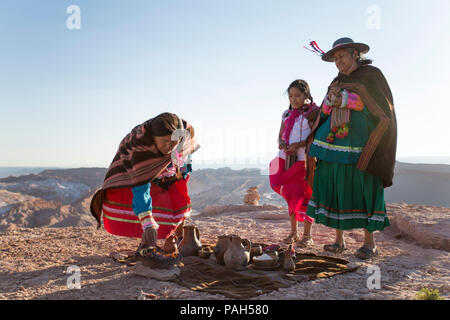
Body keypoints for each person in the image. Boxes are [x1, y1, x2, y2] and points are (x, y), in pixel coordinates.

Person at [305, 37, 397, 259]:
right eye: (335, 59)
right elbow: (325, 111)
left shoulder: (372, 76)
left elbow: (381, 109)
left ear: (355, 54)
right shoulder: (336, 80)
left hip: (361, 144)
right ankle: (339, 241)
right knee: (335, 183)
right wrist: (330, 102)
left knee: (363, 185)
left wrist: (347, 100)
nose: (338, 62)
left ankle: (369, 243)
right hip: (332, 143)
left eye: (342, 56)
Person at [90, 112, 200, 251]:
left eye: (172, 142)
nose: (169, 146)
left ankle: (180, 235)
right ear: (154, 139)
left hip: (175, 161)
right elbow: (141, 187)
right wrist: (148, 223)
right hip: (133, 172)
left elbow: (181, 179)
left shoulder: (183, 136)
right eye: (164, 142)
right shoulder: (139, 148)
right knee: (135, 197)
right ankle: (149, 235)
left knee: (177, 190)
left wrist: (175, 170)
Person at [269, 80, 320, 247]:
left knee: (306, 195)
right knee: (290, 193)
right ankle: (293, 232)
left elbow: (316, 137)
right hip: (287, 158)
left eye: (297, 95)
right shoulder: (286, 114)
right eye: (290, 96)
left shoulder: (313, 113)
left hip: (305, 159)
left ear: (307, 95)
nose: (293, 99)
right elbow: (280, 135)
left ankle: (307, 235)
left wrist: (299, 145)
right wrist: (282, 144)